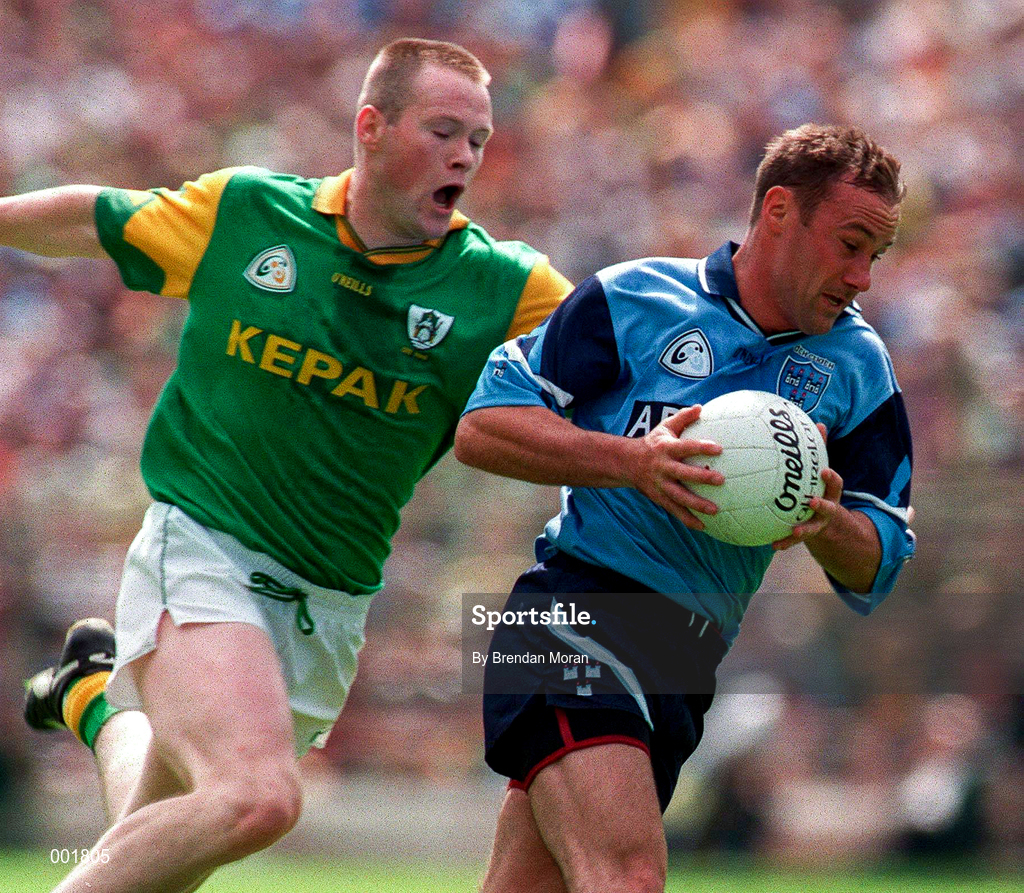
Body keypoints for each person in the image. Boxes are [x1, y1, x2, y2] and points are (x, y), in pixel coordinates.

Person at [6, 38, 570, 893]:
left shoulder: (504, 286)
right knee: (255, 797)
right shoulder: (249, 214)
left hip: (329, 603)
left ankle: (89, 695)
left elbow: (620, 348)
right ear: (371, 128)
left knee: (171, 818)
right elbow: (99, 217)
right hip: (204, 552)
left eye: (479, 140)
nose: (465, 155)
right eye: (444, 130)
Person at [454, 123, 916, 893]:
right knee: (628, 876)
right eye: (850, 243)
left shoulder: (859, 366)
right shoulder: (632, 298)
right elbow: (482, 426)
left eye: (878, 254)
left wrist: (822, 521)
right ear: (777, 211)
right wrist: (636, 463)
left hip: (687, 653)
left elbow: (881, 561)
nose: (863, 275)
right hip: (571, 613)